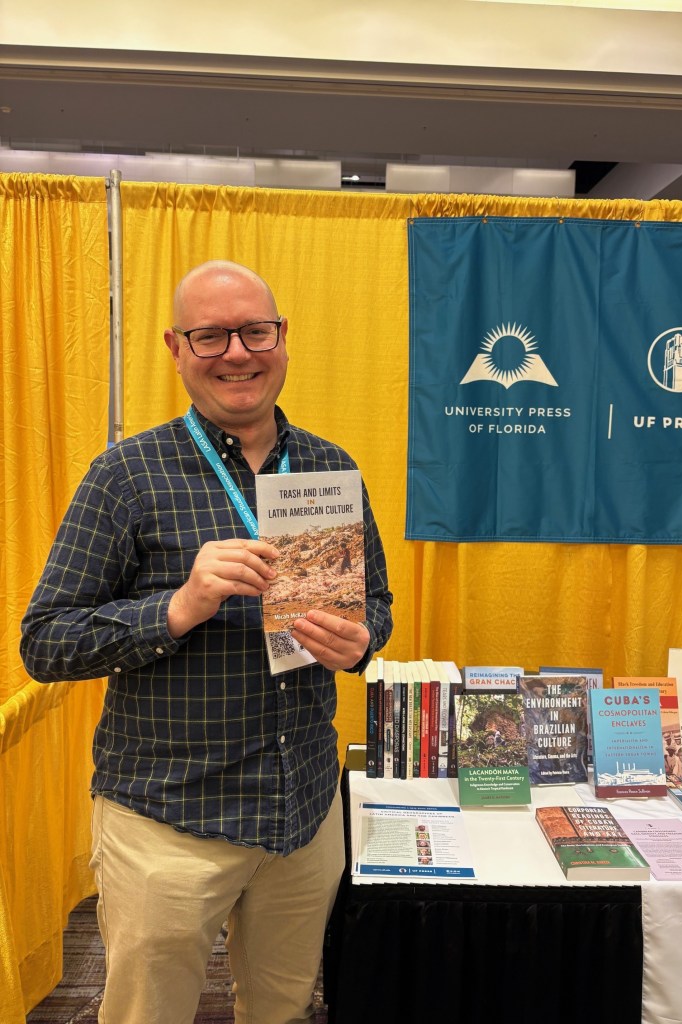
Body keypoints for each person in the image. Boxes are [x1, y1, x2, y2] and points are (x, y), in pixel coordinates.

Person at [20, 260, 394, 1024]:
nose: (237, 353)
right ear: (176, 347)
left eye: (255, 332)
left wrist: (359, 642)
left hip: (302, 813)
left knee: (283, 1010)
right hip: (168, 821)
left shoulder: (330, 468)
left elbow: (377, 606)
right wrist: (177, 607)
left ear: (282, 337)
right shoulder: (125, 476)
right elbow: (46, 642)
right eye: (211, 335)